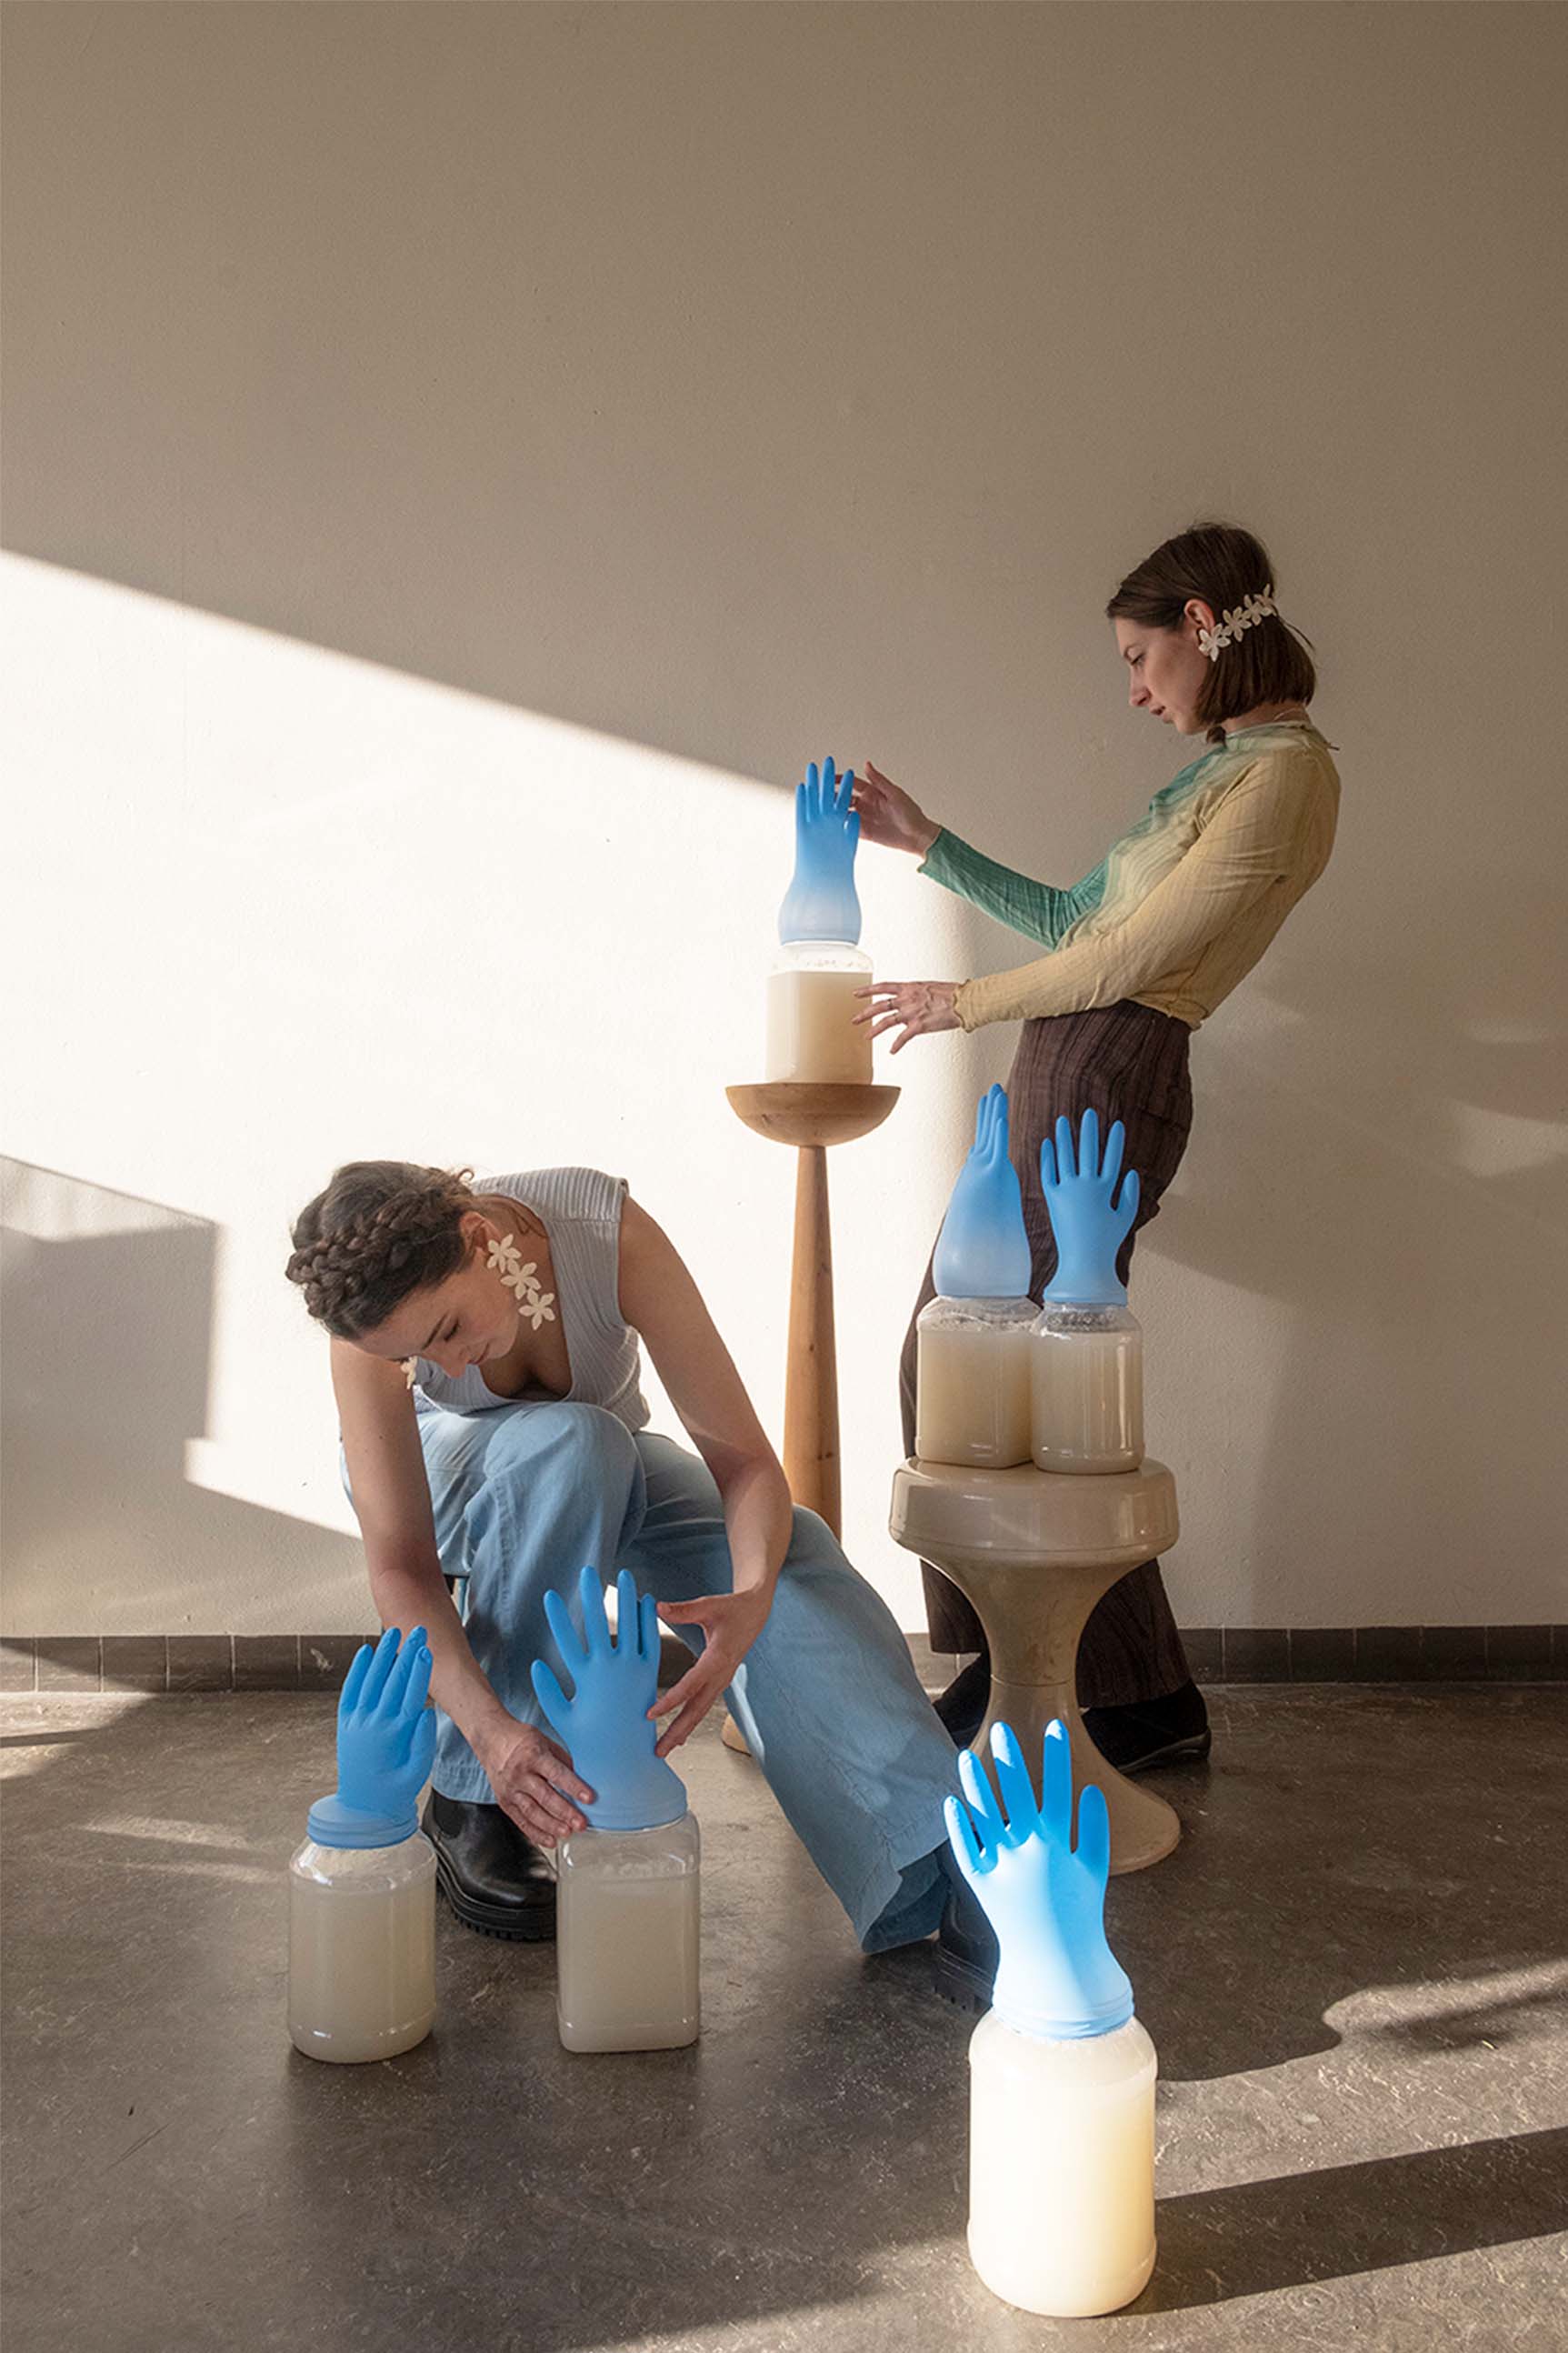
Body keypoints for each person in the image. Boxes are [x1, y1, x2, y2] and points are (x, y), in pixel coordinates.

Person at [855, 522, 1341, 1770]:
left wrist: (956, 1003)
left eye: (1141, 657)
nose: (1134, 688)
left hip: (1112, 1068)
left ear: (1202, 629)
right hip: (1069, 1062)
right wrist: (930, 844)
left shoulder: (1284, 777)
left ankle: (1117, 1698)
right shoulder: (1221, 769)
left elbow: (1130, 964)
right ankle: (1050, 1675)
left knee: (1029, 1386)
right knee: (972, 1374)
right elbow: (1081, 918)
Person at [285, 1161, 962, 1950]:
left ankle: (928, 1855)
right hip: (451, 1480)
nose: (453, 1369)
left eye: (446, 1332)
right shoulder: (368, 1330)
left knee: (789, 1557)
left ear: (477, 1237)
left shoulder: (605, 1235)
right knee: (576, 1442)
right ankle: (471, 1800)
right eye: (419, 1363)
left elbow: (744, 1463)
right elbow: (402, 1566)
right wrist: (488, 1732)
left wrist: (746, 1600)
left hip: (603, 1462)